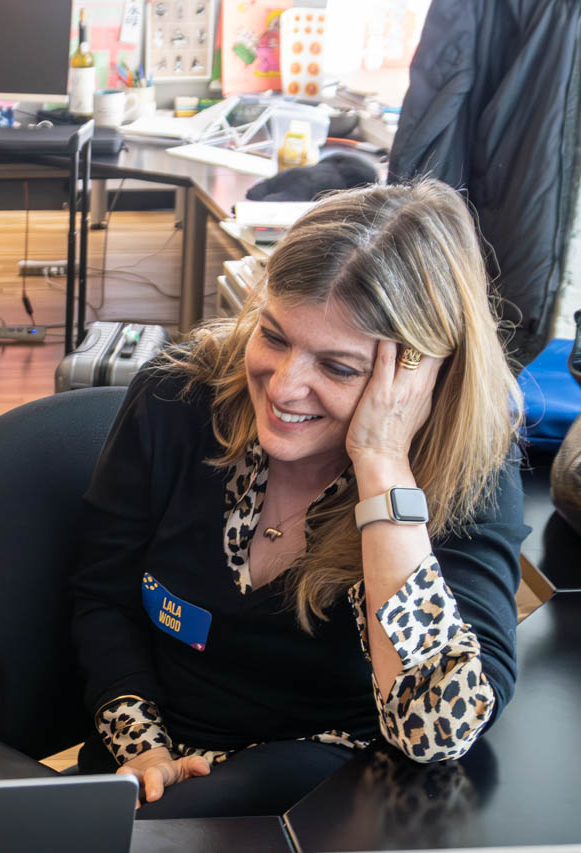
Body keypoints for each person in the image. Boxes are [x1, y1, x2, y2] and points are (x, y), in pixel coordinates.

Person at [70, 179, 526, 819]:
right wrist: (143, 749)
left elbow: (436, 732)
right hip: (153, 772)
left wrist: (383, 469)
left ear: (420, 375)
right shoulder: (180, 398)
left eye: (338, 368)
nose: (285, 388)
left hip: (321, 796)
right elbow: (104, 596)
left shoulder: (466, 469)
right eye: (276, 337)